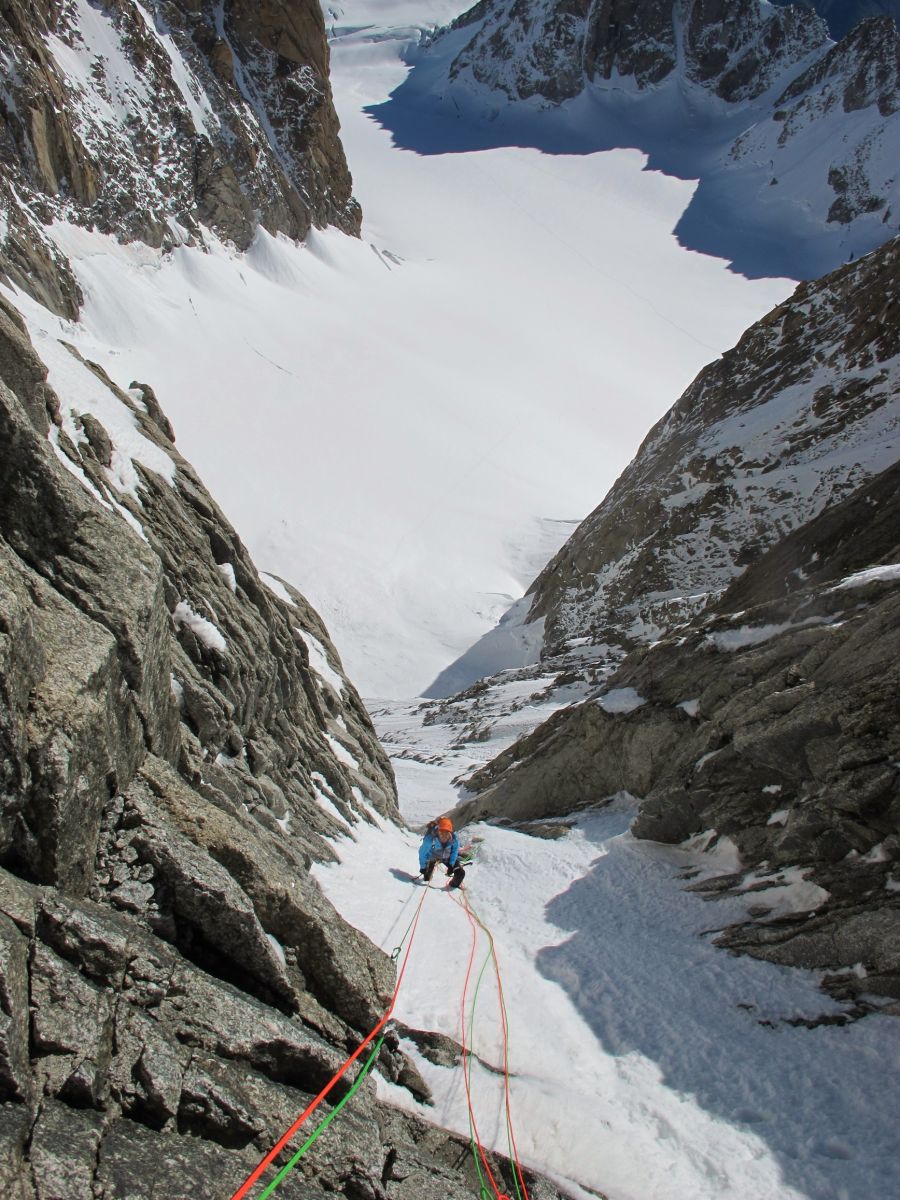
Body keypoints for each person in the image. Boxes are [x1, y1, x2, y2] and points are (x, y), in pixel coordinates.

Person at [418, 817, 465, 889]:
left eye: (446, 833)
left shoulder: (454, 839)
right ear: (438, 831)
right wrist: (423, 867)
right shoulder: (430, 839)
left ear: (450, 833)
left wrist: (451, 864)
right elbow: (423, 853)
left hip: (446, 857)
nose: (444, 835)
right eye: (441, 832)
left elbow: (454, 851)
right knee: (427, 878)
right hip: (432, 857)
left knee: (460, 873)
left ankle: (452, 886)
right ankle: (428, 877)